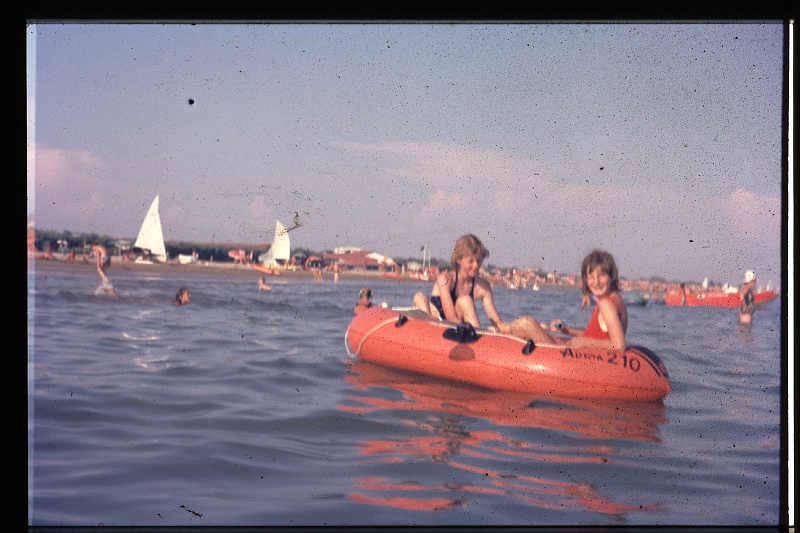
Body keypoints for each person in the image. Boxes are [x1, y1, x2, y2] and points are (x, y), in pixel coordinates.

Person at [511, 250, 628, 352]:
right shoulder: (616, 299)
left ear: (612, 275)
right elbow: (596, 336)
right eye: (591, 277)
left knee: (526, 324)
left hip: (582, 358)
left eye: (601, 276)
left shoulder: (606, 304)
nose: (596, 282)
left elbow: (619, 345)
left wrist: (584, 342)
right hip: (583, 353)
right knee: (539, 328)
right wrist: (567, 330)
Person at [412, 234, 511, 333]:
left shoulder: (483, 286)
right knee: (419, 297)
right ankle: (426, 332)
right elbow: (451, 318)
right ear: (459, 259)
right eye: (471, 261)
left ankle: (476, 336)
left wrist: (514, 328)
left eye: (479, 260)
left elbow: (498, 324)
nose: (476, 265)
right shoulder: (445, 279)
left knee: (465, 301)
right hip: (436, 324)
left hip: (457, 328)